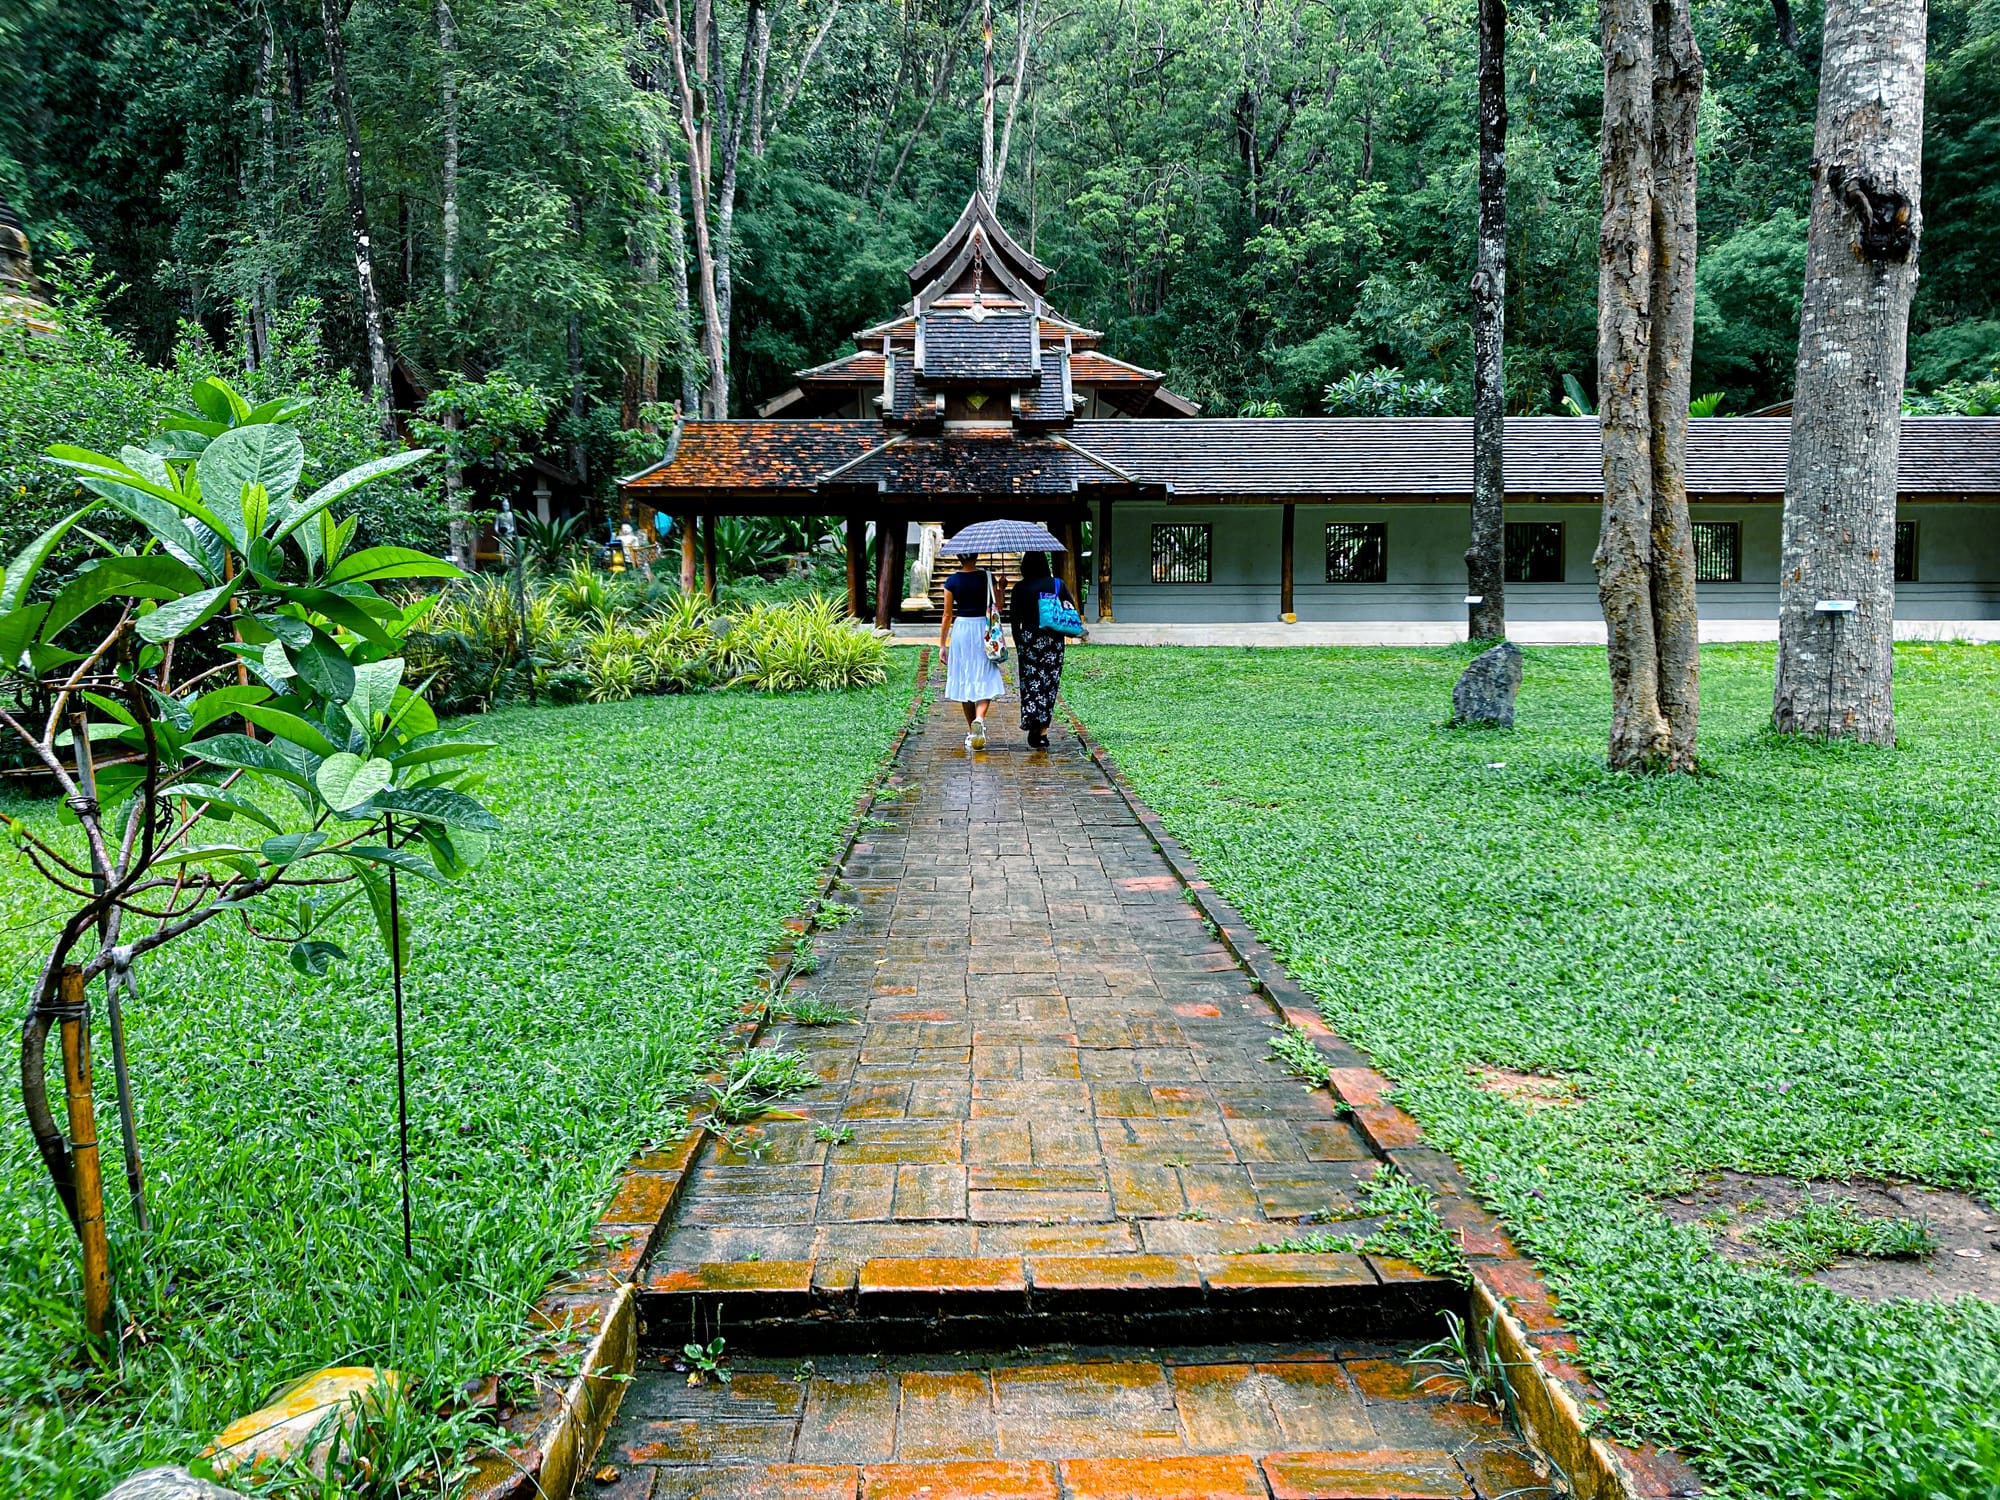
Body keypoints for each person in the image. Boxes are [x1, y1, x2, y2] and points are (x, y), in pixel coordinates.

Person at [1009, 552, 1074, 749]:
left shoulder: (1020, 587)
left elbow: (1014, 619)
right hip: (1053, 640)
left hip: (1029, 639)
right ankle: (1043, 731)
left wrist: (1018, 641)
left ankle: (1032, 720)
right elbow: (1069, 608)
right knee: (1049, 684)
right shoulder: (1057, 584)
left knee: (1031, 683)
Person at [939, 554, 1005, 749]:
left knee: (965, 675)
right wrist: (1001, 588)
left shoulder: (952, 581)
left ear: (959, 556)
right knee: (985, 674)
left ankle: (972, 731)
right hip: (983, 628)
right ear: (976, 556)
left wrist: (942, 645)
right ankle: (980, 720)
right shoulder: (987, 577)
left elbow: (947, 614)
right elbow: (998, 607)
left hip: (961, 630)